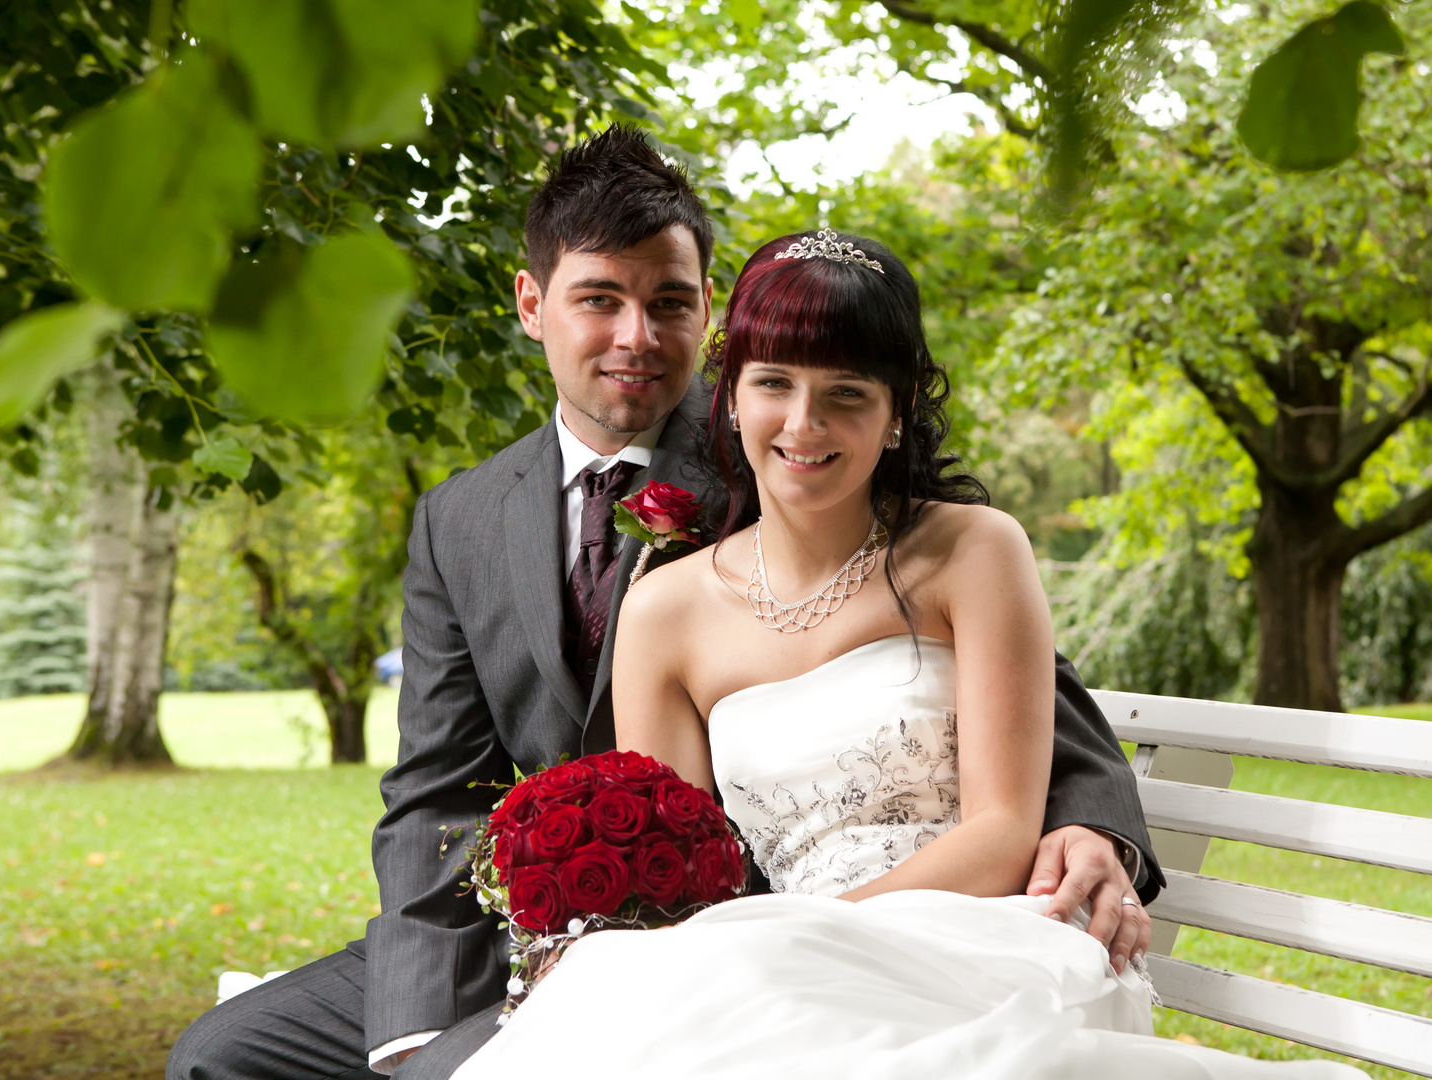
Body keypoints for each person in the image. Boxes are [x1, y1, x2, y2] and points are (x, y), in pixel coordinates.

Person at [167, 126, 1160, 1080]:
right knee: (224, 1055)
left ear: (707, 316)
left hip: (760, 936)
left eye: (670, 302)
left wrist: (1095, 826)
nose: (636, 336)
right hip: (539, 930)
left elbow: (1014, 702)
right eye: (599, 299)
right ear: (531, 303)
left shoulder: (794, 460)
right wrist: (418, 1013)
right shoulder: (458, 520)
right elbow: (437, 787)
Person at [448, 230, 1363, 1079]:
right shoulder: (663, 611)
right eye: (774, 383)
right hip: (765, 962)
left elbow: (1003, 830)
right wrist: (735, 945)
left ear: (894, 417)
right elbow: (687, 871)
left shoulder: (971, 551)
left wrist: (798, 937)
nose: (804, 424)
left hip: (985, 939)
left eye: (846, 394)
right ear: (729, 399)